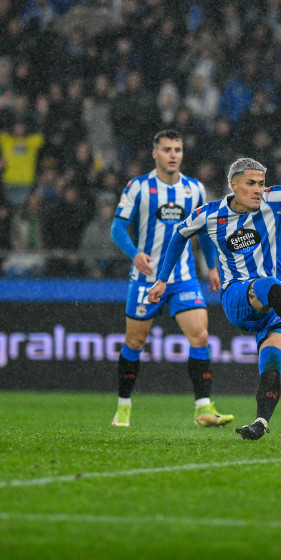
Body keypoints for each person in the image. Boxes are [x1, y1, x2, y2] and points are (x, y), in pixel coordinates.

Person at [147, 158, 281, 440]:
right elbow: (179, 235)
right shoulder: (210, 214)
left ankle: (260, 422)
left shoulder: (273, 200)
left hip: (277, 304)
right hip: (238, 296)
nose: (258, 190)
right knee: (269, 285)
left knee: (273, 360)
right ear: (233, 185)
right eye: (251, 184)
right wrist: (163, 279)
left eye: (261, 183)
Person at [109, 129, 232, 428]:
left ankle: (203, 409)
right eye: (167, 149)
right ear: (155, 153)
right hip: (146, 277)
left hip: (184, 277)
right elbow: (117, 229)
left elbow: (204, 232)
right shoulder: (138, 187)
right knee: (135, 341)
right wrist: (134, 254)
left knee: (200, 335)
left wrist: (212, 267)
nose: (173, 154)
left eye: (177, 149)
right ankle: (123, 406)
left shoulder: (195, 189)